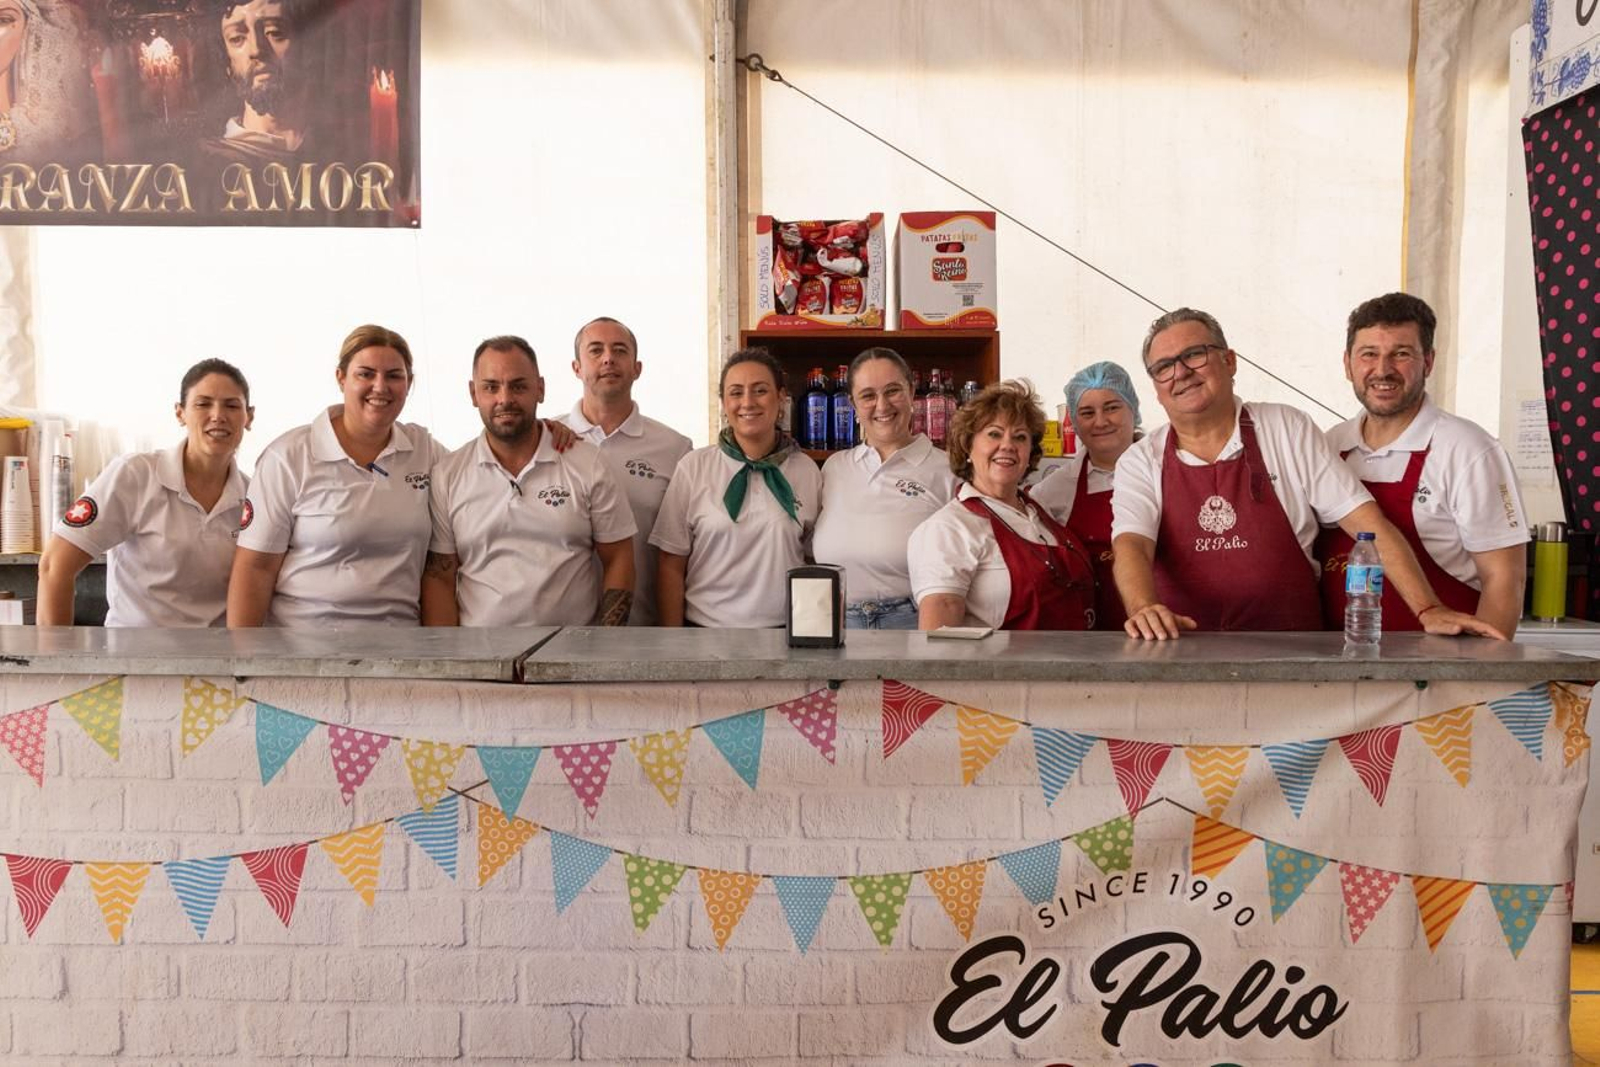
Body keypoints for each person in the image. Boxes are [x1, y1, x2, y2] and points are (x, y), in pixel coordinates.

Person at [1111, 307, 1507, 640]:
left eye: (1195, 355)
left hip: (1294, 657)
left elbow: (1368, 525)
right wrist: (1144, 608)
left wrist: (1427, 608)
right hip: (1182, 656)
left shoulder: (1285, 428)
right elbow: (1132, 546)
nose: (1180, 373)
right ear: (1155, 386)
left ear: (1229, 361)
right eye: (1163, 367)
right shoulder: (1140, 460)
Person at [1317, 293, 1528, 636]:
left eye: (1401, 354)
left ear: (1428, 362)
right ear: (1347, 364)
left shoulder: (1468, 450)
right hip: (1339, 665)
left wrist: (1473, 678)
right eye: (1369, 354)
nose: (1382, 370)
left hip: (1438, 669)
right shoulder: (1329, 445)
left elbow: (1504, 578)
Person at [227, 324, 443, 627]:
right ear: (341, 378)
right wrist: (244, 665)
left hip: (401, 651)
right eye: (365, 374)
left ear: (410, 383)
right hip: (303, 651)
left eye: (394, 376)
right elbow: (255, 568)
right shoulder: (289, 456)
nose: (380, 387)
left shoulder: (425, 451)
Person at [422, 335, 636, 627]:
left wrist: (603, 647)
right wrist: (449, 659)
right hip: (481, 662)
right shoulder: (448, 474)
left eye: (518, 386)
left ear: (541, 389)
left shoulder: (588, 463)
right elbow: (440, 578)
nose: (505, 399)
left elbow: (619, 558)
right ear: (474, 394)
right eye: (491, 387)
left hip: (571, 661)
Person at [36, 359, 253, 627]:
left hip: (217, 661)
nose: (218, 415)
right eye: (203, 403)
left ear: (249, 417)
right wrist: (58, 660)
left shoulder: (253, 494)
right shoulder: (134, 475)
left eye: (231, 405)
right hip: (133, 660)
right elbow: (54, 566)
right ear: (180, 413)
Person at [651, 347, 821, 628]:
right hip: (704, 634)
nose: (748, 402)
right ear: (723, 402)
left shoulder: (806, 470)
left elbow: (814, 559)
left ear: (781, 398)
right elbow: (670, 564)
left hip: (785, 636)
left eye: (760, 390)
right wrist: (674, 643)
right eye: (736, 392)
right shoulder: (694, 467)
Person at [909, 379, 1097, 631]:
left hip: (1077, 666)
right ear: (968, 445)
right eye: (994, 434)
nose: (1008, 445)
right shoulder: (947, 530)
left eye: (1020, 437)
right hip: (1004, 670)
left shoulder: (1041, 514)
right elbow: (938, 646)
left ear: (1031, 451)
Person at [553, 316, 691, 625]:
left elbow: (681, 553)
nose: (608, 358)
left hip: (645, 631)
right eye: (595, 350)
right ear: (576, 368)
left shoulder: (675, 448)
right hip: (559, 635)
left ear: (637, 368)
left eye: (619, 350)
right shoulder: (546, 441)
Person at [812, 347, 957, 629]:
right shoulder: (834, 468)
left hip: (912, 622)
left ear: (911, 392)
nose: (882, 406)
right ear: (852, 404)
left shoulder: (949, 470)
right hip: (834, 624)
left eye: (893, 391)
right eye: (868, 395)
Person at [1032, 360, 1143, 630]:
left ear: (1133, 409)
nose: (1101, 421)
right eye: (1087, 412)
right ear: (1075, 421)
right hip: (1093, 637)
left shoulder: (1170, 470)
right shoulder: (1052, 490)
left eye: (1112, 408)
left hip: (1171, 629)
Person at [202, 0, 311, 164]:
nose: (256, 50)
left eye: (274, 32)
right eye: (237, 38)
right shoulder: (210, 160)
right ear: (227, 63)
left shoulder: (338, 146)